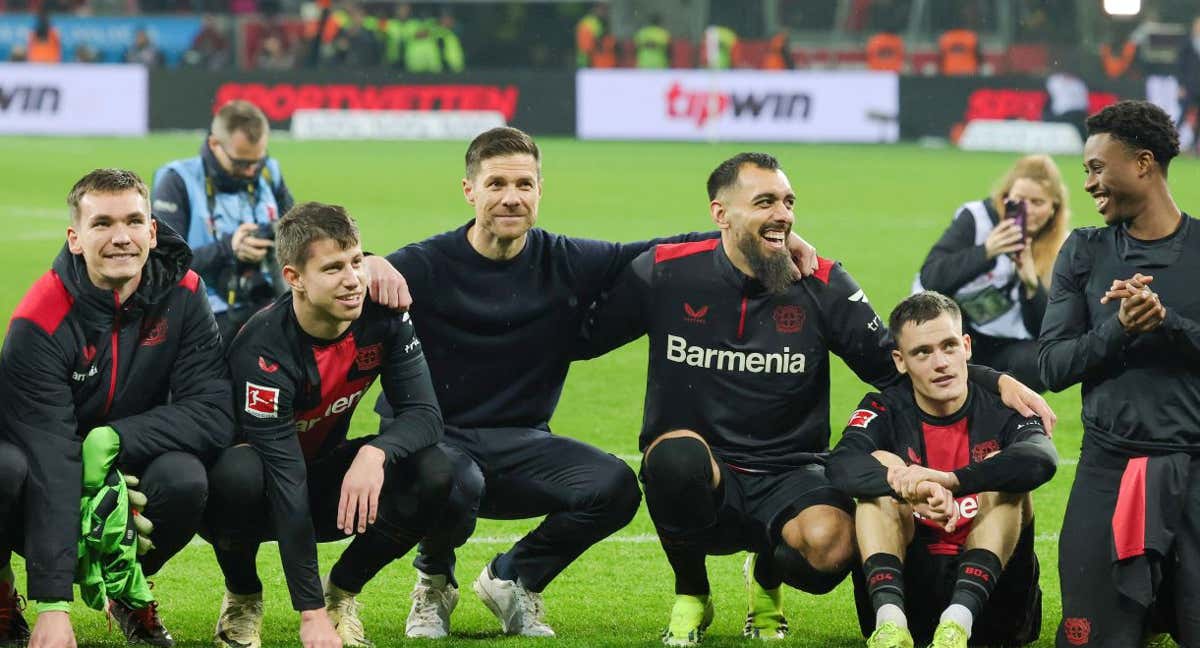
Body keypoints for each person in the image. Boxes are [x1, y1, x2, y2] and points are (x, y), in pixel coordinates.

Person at [574, 152, 1055, 646]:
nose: (783, 213)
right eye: (765, 202)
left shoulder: (821, 282)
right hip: (707, 467)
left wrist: (988, 379)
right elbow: (585, 338)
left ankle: (766, 575)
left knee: (834, 549)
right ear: (721, 214)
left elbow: (893, 361)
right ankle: (692, 594)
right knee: (674, 459)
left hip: (791, 470)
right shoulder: (667, 271)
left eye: (788, 202)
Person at [361, 127, 823, 640]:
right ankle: (433, 580)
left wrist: (768, 235)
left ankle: (515, 577)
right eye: (496, 185)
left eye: (524, 185)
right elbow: (336, 280)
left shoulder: (567, 260)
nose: (511, 198)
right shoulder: (424, 265)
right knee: (453, 481)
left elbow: (665, 250)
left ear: (540, 190)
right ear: (470, 191)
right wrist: (369, 260)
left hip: (521, 442)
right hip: (435, 445)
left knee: (615, 487)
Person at [0, 168, 233, 647]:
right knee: (4, 469)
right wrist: (53, 605)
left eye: (132, 221)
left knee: (185, 478)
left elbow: (212, 411)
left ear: (152, 230)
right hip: (41, 474)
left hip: (127, 466)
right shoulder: (39, 318)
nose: (121, 237)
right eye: (102, 223)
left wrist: (115, 440)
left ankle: (126, 591)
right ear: (76, 239)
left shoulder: (185, 294)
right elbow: (49, 457)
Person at [205, 202, 451, 648]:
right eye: (334, 268)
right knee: (239, 472)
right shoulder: (263, 350)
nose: (353, 279)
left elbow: (425, 415)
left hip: (322, 479)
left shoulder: (384, 314)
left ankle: (342, 594)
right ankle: (242, 597)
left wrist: (374, 453)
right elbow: (284, 477)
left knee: (434, 470)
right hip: (249, 495)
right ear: (294, 278)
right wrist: (308, 616)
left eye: (357, 261)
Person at [1041, 100, 1200, 647]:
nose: (1087, 183)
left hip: (1195, 467)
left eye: (1096, 167)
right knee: (1092, 639)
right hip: (1110, 468)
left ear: (1143, 163)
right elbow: (1052, 366)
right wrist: (1119, 329)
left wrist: (1166, 323)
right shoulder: (1084, 252)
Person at [828, 291, 1056, 648]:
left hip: (993, 610)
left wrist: (953, 481)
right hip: (911, 597)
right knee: (883, 467)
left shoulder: (1005, 405)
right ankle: (890, 624)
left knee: (1005, 469)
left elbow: (1042, 459)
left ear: (966, 346)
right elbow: (841, 465)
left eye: (949, 346)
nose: (941, 363)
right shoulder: (884, 408)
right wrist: (907, 486)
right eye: (923, 352)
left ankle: (957, 621)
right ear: (900, 361)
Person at [916, 154, 1072, 392]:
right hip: (952, 326)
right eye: (1019, 200)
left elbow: (1046, 332)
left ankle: (1002, 420)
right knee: (950, 346)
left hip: (1004, 339)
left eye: (1038, 202)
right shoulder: (977, 218)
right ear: (1006, 196)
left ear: (1054, 209)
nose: (1027, 210)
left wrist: (1031, 284)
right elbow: (932, 278)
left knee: (1041, 361)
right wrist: (986, 252)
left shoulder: (1060, 247)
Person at [152, 99, 295, 346]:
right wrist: (229, 248)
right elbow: (164, 266)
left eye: (257, 161)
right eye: (241, 163)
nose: (251, 171)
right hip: (203, 316)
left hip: (267, 304)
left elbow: (299, 238)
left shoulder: (270, 171)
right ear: (214, 144)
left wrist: (274, 237)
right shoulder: (177, 180)